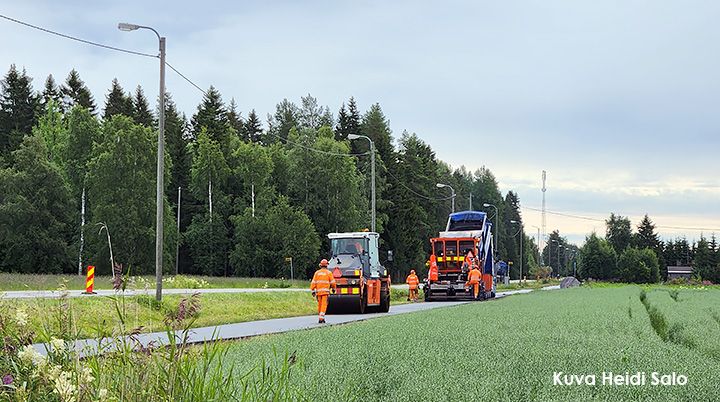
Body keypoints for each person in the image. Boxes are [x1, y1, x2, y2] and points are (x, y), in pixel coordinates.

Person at [310, 259, 337, 323]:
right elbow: (333, 282)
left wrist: (313, 291)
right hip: (325, 292)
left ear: (320, 265)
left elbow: (313, 282)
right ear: (327, 265)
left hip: (318, 292)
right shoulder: (329, 273)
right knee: (324, 305)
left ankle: (320, 317)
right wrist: (333, 289)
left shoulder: (317, 273)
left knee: (319, 305)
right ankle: (321, 318)